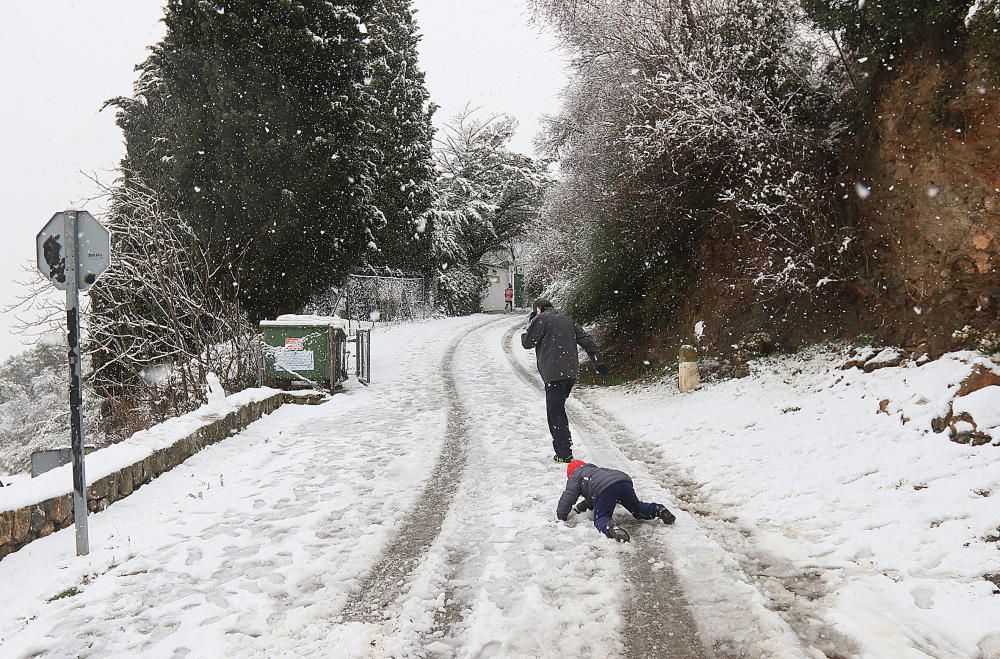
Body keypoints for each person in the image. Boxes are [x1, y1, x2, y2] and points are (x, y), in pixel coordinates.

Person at [521, 298, 608, 463]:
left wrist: (530, 324)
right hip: (570, 373)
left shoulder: (540, 319)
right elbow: (587, 340)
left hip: (554, 373)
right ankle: (564, 438)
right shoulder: (567, 319)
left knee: (554, 411)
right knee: (558, 407)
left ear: (538, 309)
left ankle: (563, 452)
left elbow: (527, 342)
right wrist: (599, 362)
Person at [557, 460, 676, 543]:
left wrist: (562, 515)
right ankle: (658, 510)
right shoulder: (595, 472)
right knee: (636, 507)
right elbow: (593, 500)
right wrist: (579, 508)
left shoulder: (575, 476)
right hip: (623, 480)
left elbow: (568, 496)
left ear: (570, 474)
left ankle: (611, 528)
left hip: (605, 488)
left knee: (601, 517)